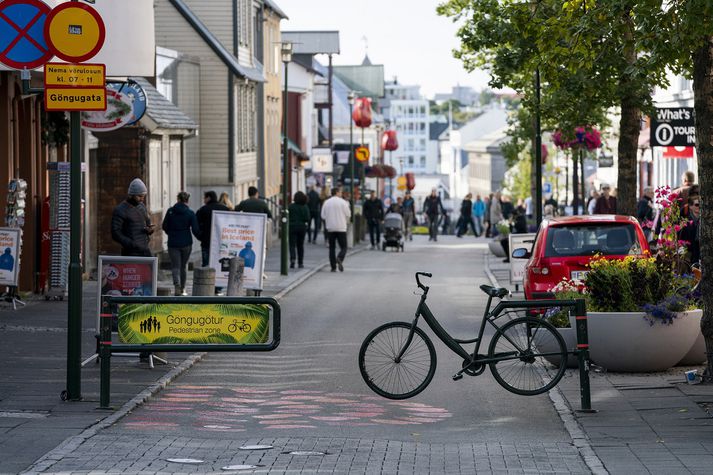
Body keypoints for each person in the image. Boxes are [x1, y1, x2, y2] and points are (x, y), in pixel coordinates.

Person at [162, 191, 200, 296]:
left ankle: (176, 285)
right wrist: (202, 238)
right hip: (186, 243)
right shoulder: (190, 213)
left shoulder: (170, 211)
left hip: (173, 243)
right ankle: (183, 288)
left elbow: (164, 226)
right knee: (183, 266)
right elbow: (195, 229)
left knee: (175, 266)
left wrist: (171, 233)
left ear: (178, 199)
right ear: (187, 200)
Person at [111, 178, 154, 257]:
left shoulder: (142, 206)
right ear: (131, 195)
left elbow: (148, 223)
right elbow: (115, 233)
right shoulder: (120, 210)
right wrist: (131, 244)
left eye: (143, 196)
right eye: (139, 196)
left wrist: (150, 230)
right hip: (130, 252)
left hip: (145, 249)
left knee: (150, 269)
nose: (142, 199)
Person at [196, 191, 230, 266]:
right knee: (220, 265)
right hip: (222, 242)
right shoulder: (225, 209)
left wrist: (201, 236)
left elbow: (196, 226)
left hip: (206, 242)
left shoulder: (203, 210)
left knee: (206, 266)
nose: (203, 200)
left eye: (204, 198)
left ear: (208, 198)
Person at [321, 188, 351, 272]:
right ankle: (340, 258)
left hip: (330, 228)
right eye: (340, 192)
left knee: (332, 248)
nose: (341, 193)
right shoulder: (343, 202)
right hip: (341, 227)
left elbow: (323, 215)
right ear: (337, 192)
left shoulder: (326, 202)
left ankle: (333, 267)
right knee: (344, 246)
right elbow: (348, 214)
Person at [288, 191, 310, 269]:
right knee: (300, 245)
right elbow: (307, 218)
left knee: (292, 245)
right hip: (302, 227)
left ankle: (293, 260)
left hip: (292, 227)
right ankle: (300, 262)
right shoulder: (305, 207)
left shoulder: (290, 206)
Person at [680, 193, 700, 265]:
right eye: (697, 204)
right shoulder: (686, 222)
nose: (700, 206)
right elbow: (681, 240)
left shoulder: (707, 221)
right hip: (690, 255)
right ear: (691, 207)